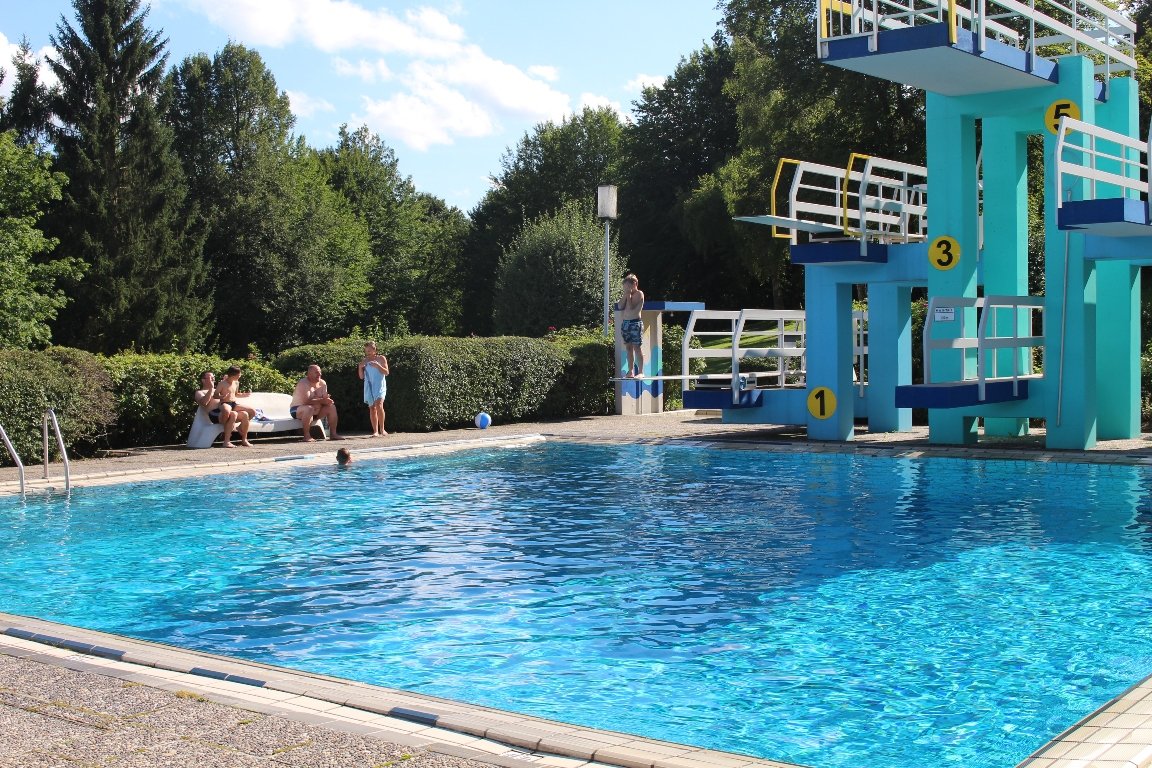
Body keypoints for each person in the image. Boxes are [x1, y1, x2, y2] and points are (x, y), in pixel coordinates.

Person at [194, 370, 250, 448]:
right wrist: (211, 389)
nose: (213, 380)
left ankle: (244, 440)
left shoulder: (218, 389)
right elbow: (204, 403)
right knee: (233, 414)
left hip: (225, 411)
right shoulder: (200, 392)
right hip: (214, 414)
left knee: (245, 414)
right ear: (203, 380)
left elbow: (230, 395)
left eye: (213, 378)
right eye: (210, 378)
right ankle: (226, 441)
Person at [290, 364, 344, 442]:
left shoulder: (322, 383)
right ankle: (306, 436)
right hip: (297, 410)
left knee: (331, 407)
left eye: (320, 372)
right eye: (316, 372)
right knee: (309, 408)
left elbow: (325, 399)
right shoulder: (303, 383)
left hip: (315, 412)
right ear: (309, 374)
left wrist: (328, 401)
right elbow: (306, 401)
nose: (319, 374)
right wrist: (322, 400)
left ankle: (333, 434)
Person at [615, 272, 645, 378]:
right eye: (625, 288)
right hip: (626, 324)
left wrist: (628, 296)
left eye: (628, 287)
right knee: (628, 348)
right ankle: (630, 371)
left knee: (637, 347)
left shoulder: (639, 294)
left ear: (634, 284)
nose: (626, 289)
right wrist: (625, 296)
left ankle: (641, 371)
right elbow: (619, 306)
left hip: (635, 323)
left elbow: (632, 308)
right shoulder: (627, 295)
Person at [358, 341, 390, 437]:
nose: (368, 352)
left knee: (379, 405)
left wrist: (378, 366)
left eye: (369, 350)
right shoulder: (365, 361)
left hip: (379, 385)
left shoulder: (381, 358)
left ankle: (382, 429)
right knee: (372, 408)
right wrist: (360, 367)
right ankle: (375, 431)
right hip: (369, 386)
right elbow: (361, 377)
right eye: (366, 350)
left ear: (374, 349)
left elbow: (386, 372)